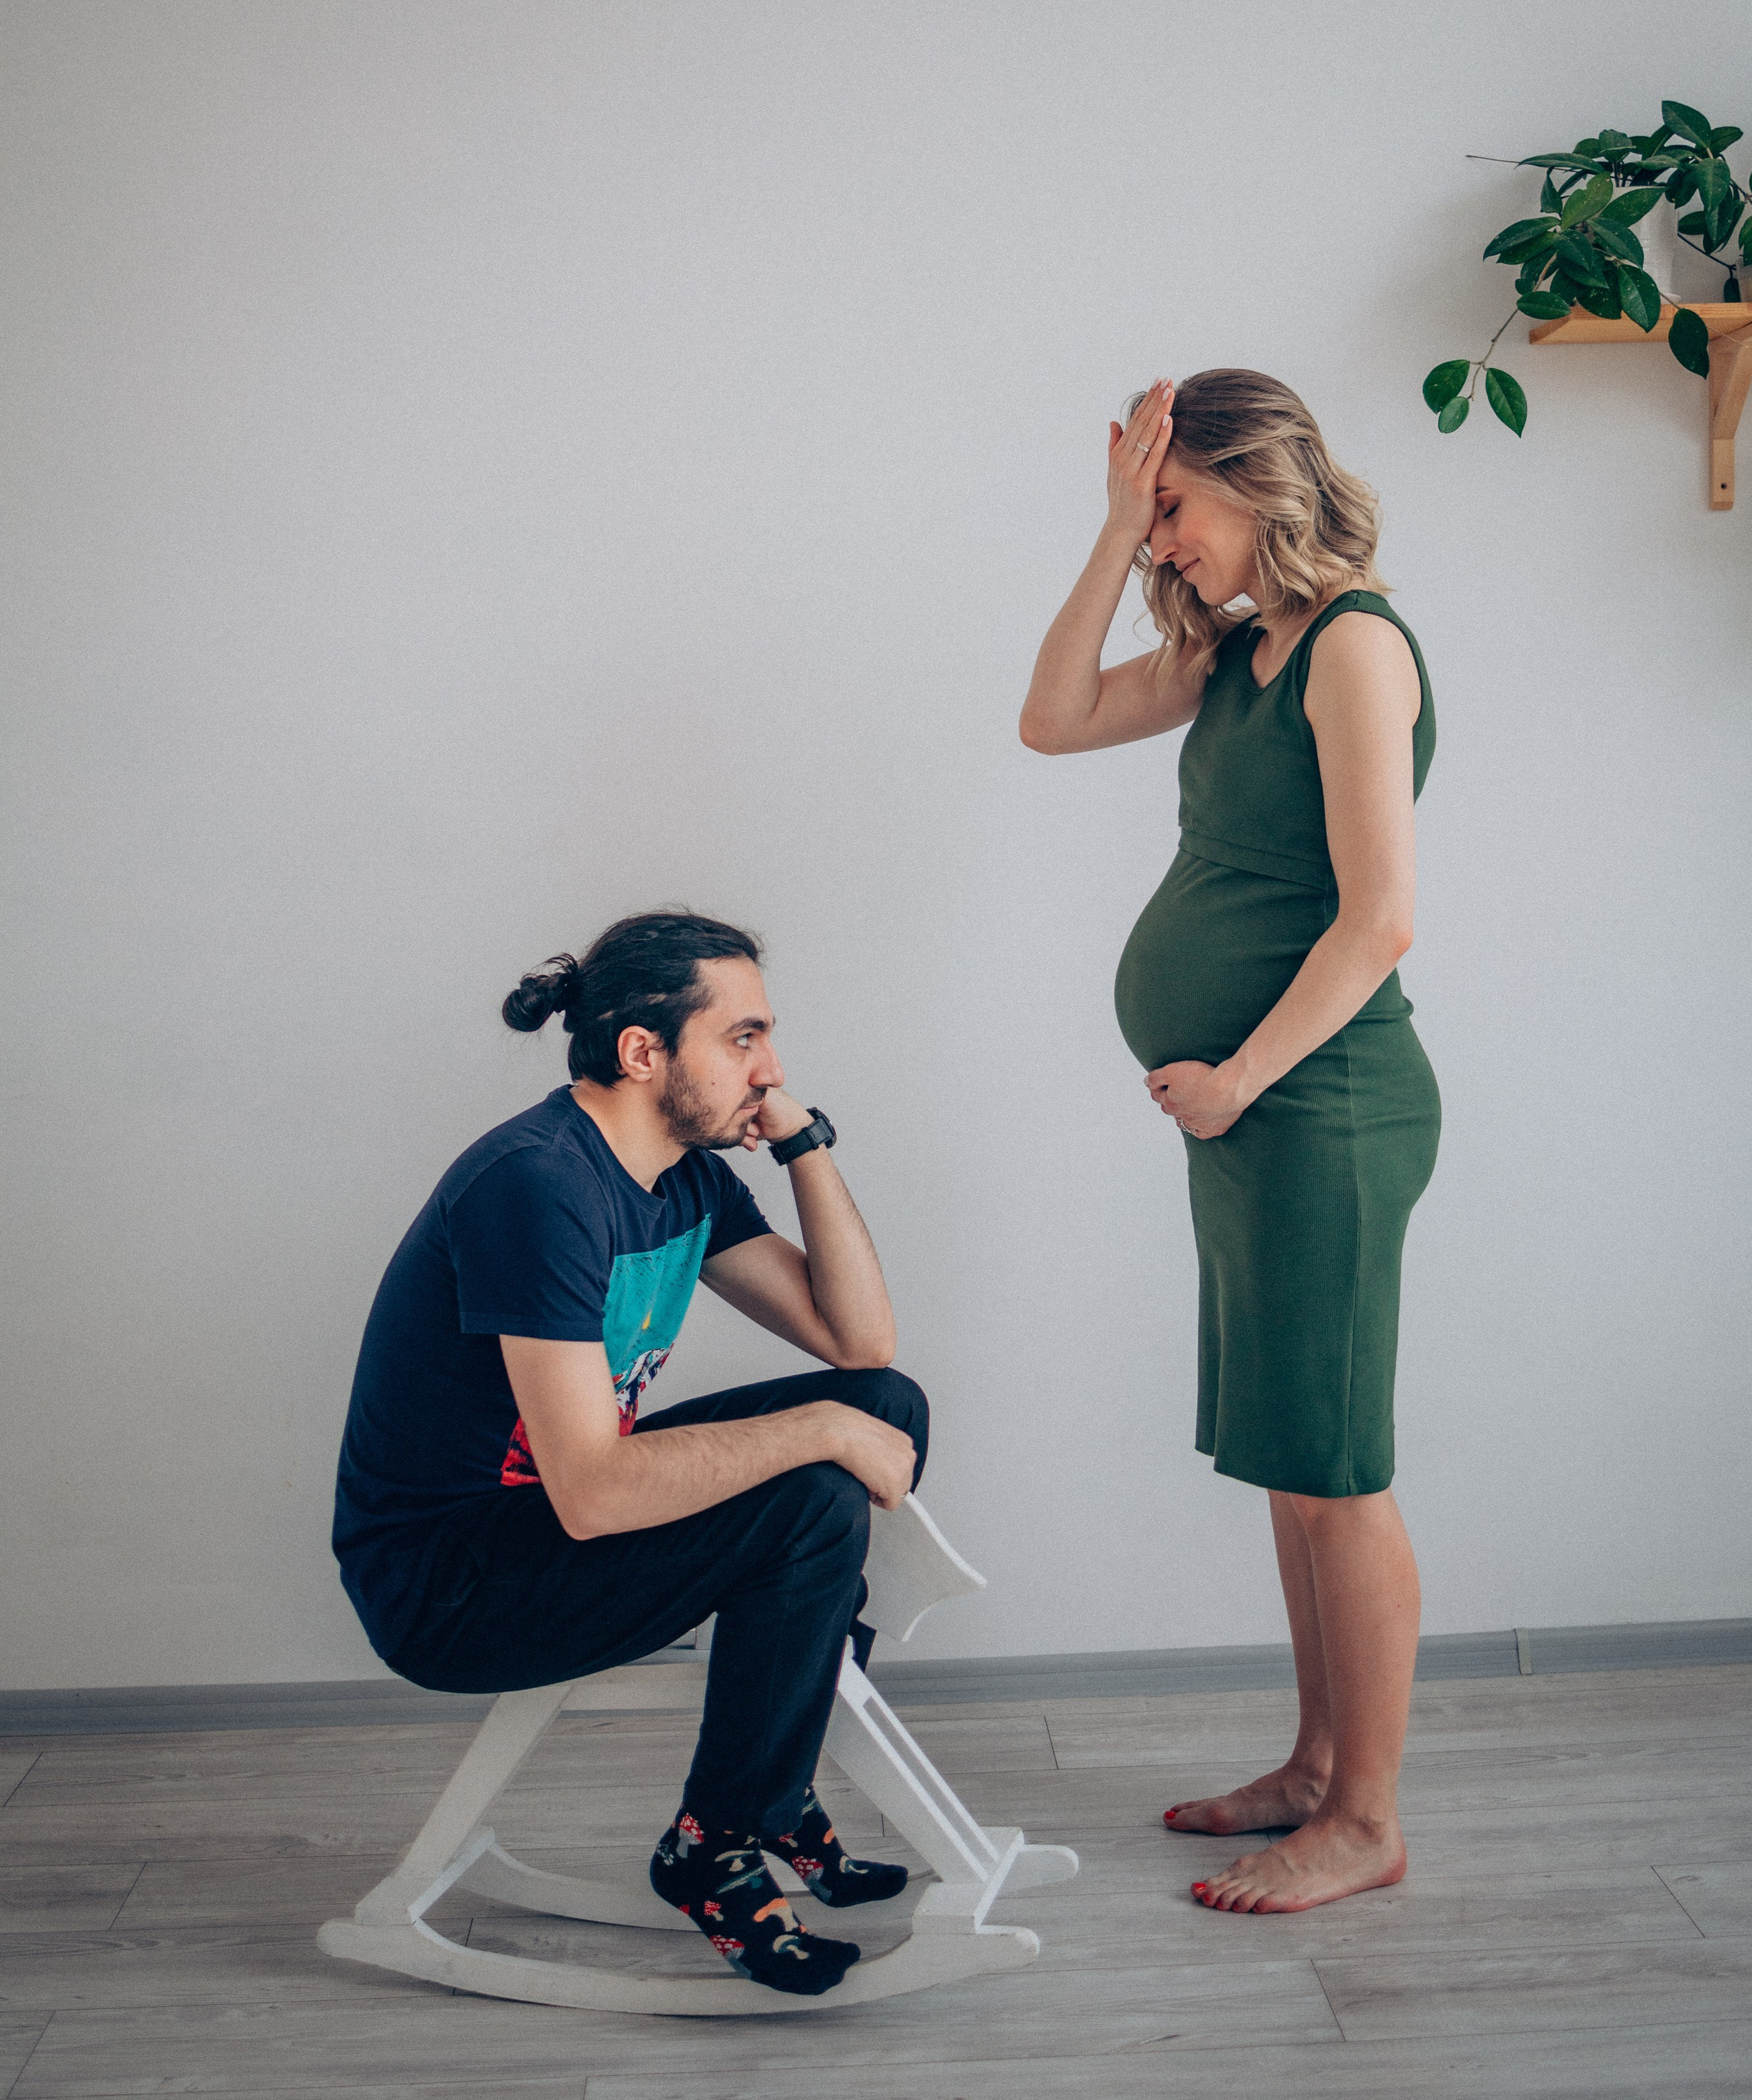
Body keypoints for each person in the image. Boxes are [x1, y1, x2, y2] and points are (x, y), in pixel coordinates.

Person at [332, 908, 928, 1996]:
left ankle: (773, 1780)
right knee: (816, 1496)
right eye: (743, 1037)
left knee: (885, 1402)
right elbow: (597, 1493)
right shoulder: (538, 1184)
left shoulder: (684, 1176)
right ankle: (715, 1844)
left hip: (549, 1519)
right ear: (644, 1052)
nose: (772, 1065)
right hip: (453, 1582)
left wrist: (802, 1143)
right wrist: (821, 1434)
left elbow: (858, 1342)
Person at [1020, 368, 1439, 1917]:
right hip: (1257, 1114)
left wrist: (1241, 1078)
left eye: (1173, 507)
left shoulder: (1353, 648)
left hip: (1319, 1105)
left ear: (1254, 482)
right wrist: (1107, 530)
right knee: (1290, 1461)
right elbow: (1049, 721)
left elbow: (1380, 918)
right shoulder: (1237, 653)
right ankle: (1316, 1766)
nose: (1162, 544)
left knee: (1338, 1468)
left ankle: (1366, 1818)